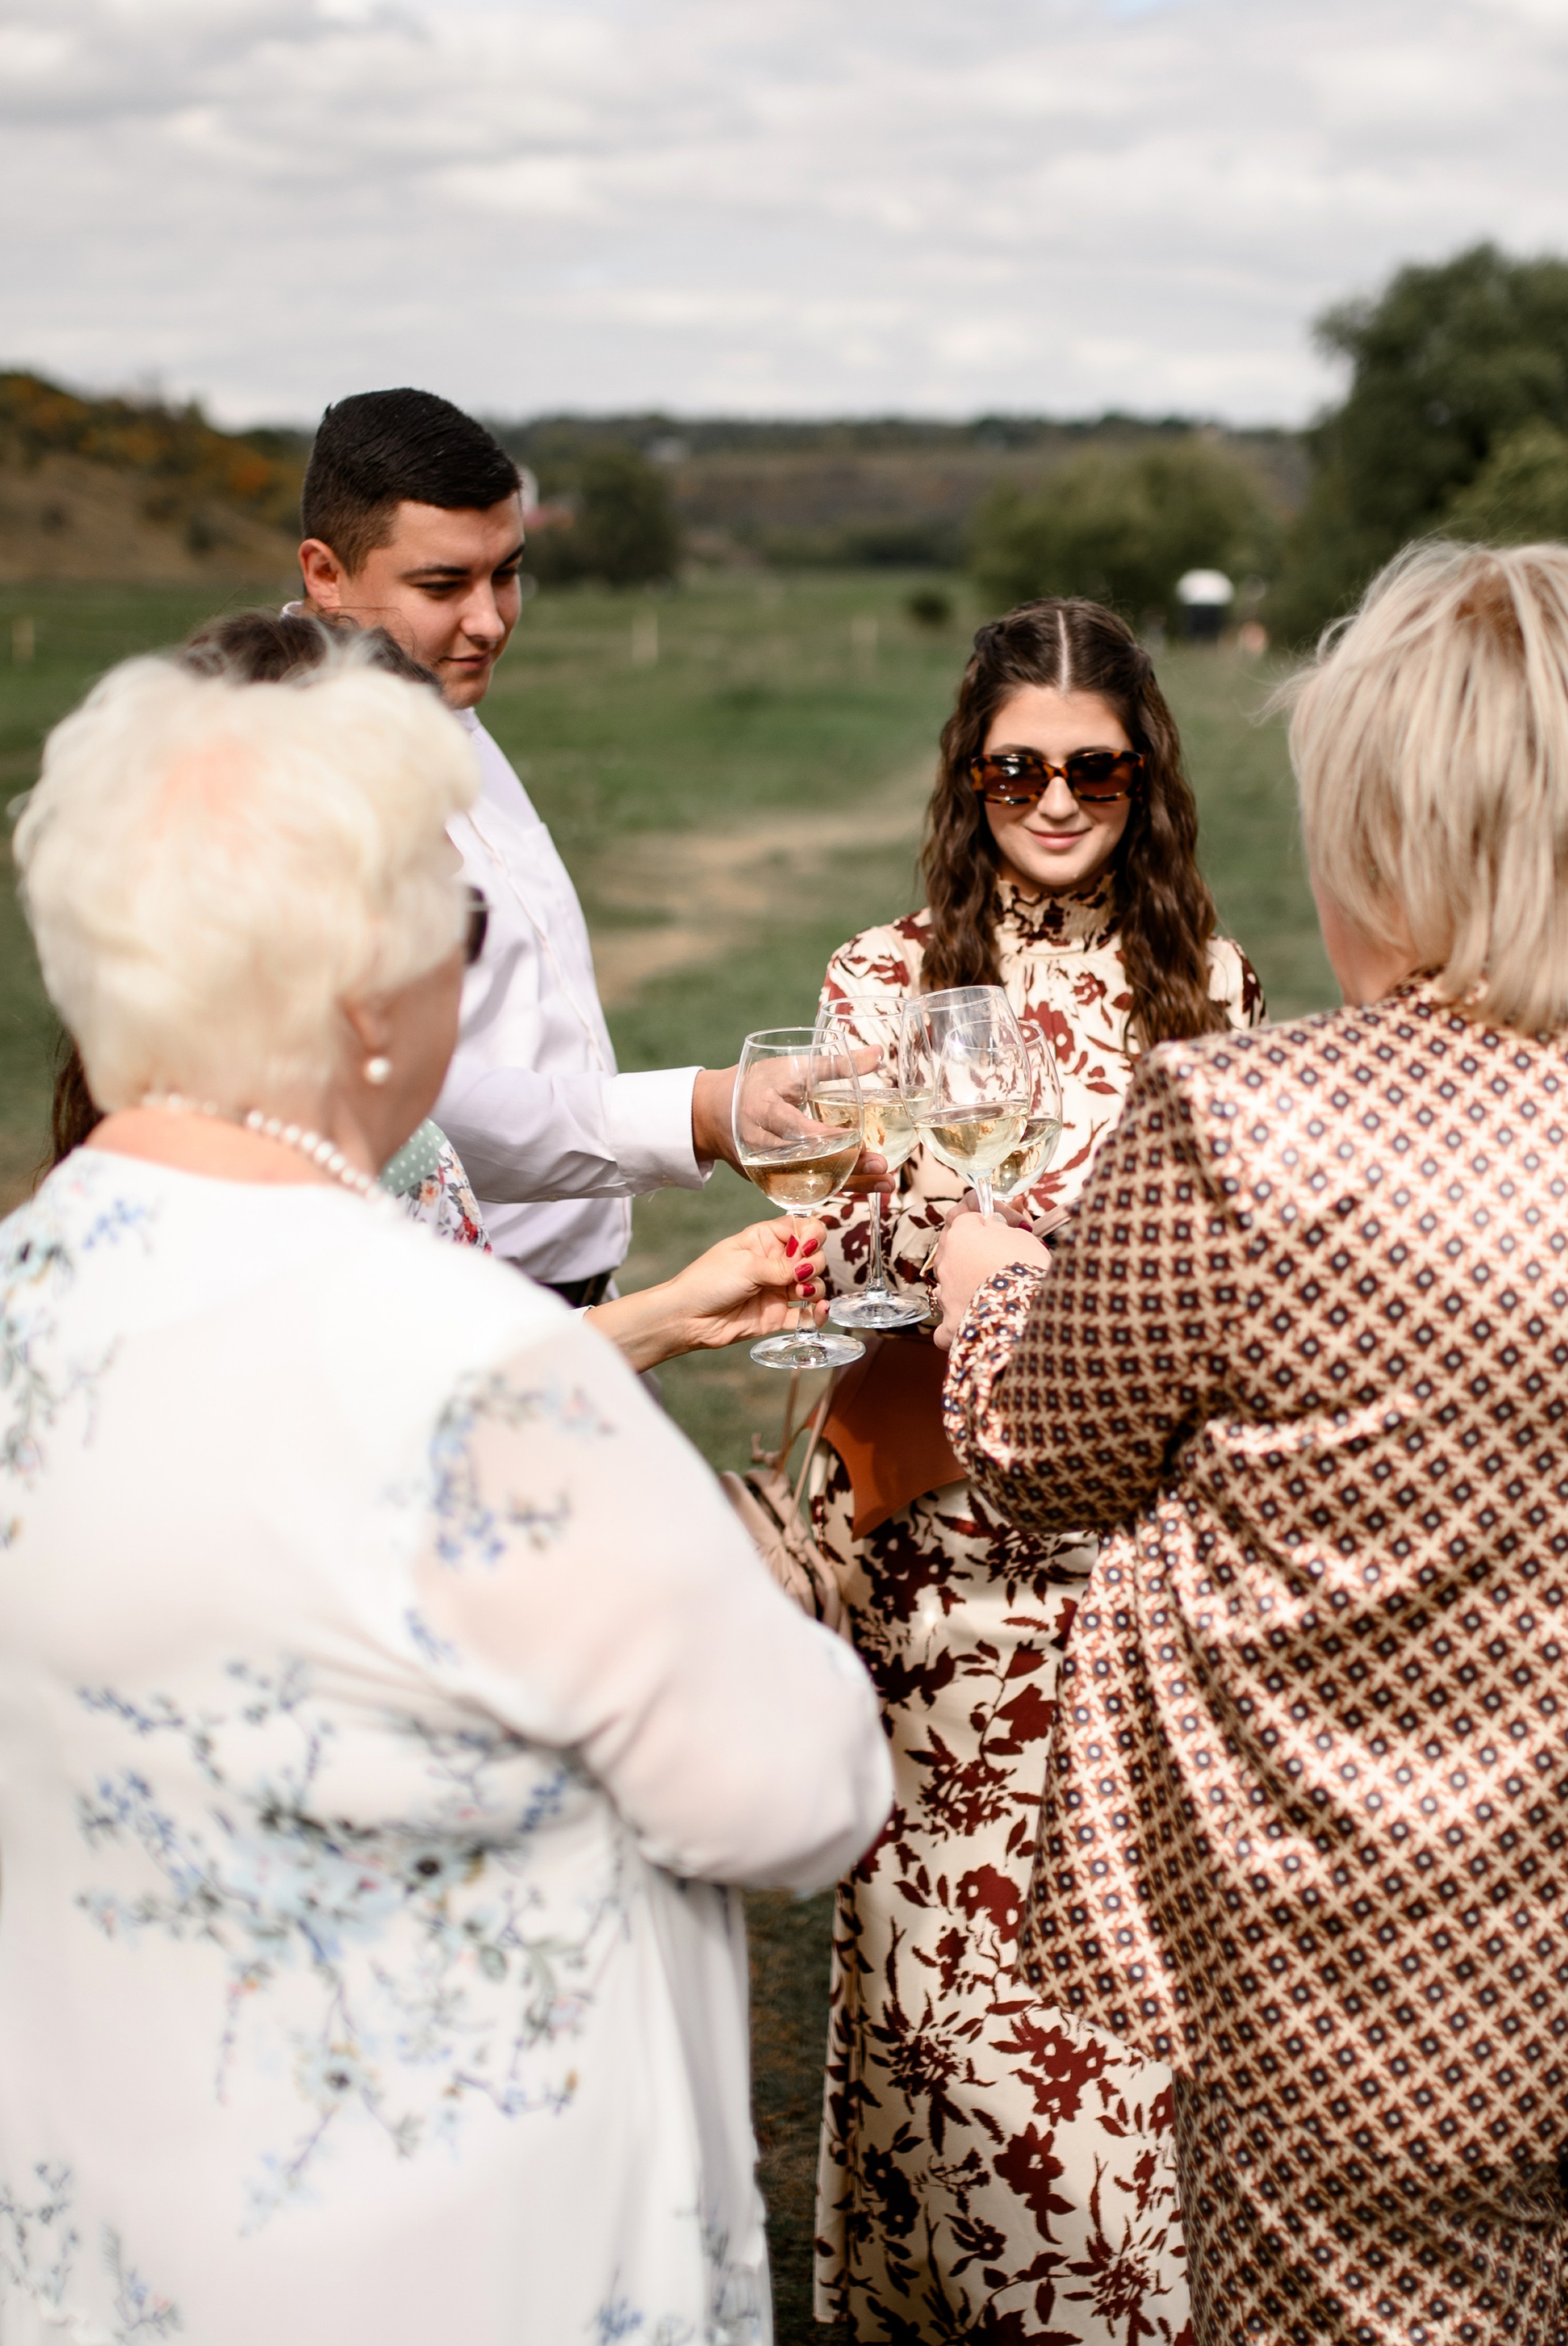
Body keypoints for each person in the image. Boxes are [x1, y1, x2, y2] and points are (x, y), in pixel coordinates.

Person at [0, 637, 892, 2345]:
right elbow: (794, 1791)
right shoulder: (472, 1365)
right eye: (458, 929)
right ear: (365, 989)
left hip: (103, 2252)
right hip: (462, 2263)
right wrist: (759, 1595)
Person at [937, 540, 1568, 2344]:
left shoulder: (1242, 1121)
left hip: (1343, 1954)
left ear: (1387, 829)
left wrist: (988, 1277)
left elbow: (1042, 1452)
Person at [808, 598, 1264, 2340]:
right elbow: (850, 1264)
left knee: (1107, 2026)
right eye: (1020, 766)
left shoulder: (1208, 988)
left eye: (1095, 767)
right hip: (937, 1561)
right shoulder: (886, 976)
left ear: (1144, 779)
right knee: (943, 2024)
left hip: (1133, 1569)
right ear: (970, 770)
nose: (1057, 799)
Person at [292, 387, 883, 1308]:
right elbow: (402, 1103)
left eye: (508, 573)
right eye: (443, 585)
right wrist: (699, 1112)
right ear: (326, 573)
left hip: (571, 1297)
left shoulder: (431, 699)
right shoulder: (291, 777)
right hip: (441, 1312)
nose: (489, 620)